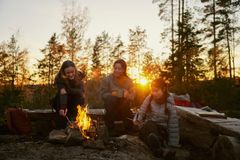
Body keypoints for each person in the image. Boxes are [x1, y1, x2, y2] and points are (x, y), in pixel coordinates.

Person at [133, 78, 179, 158]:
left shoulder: (169, 105)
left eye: (156, 91)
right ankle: (160, 148)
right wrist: (137, 120)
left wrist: (173, 145)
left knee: (151, 135)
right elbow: (142, 110)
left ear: (163, 89)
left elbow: (173, 126)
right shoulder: (149, 98)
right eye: (152, 90)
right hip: (149, 127)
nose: (154, 93)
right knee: (149, 125)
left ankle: (159, 149)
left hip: (161, 130)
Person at [100, 59, 135, 135]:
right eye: (115, 68)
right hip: (111, 107)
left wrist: (128, 95)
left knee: (125, 102)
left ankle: (127, 130)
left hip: (123, 108)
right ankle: (110, 129)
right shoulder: (107, 79)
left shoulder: (129, 81)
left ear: (123, 70)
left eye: (119, 69)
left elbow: (133, 96)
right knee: (111, 99)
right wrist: (113, 94)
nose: (117, 70)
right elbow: (102, 94)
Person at [51, 60, 85, 128]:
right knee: (61, 124)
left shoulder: (79, 76)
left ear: (75, 70)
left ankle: (75, 118)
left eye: (72, 72)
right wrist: (63, 107)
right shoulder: (60, 79)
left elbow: (81, 91)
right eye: (68, 73)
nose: (71, 74)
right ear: (63, 72)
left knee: (80, 98)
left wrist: (69, 90)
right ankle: (61, 123)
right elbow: (63, 93)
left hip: (74, 101)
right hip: (61, 101)